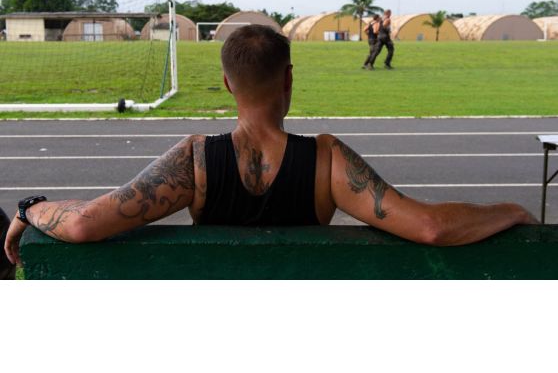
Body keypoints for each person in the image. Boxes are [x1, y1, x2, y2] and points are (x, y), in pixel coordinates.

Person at [4, 24, 537, 265]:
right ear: (288, 80)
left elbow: (81, 224)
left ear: (229, 84)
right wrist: (512, 208)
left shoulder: (193, 160)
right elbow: (430, 227)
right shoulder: (329, 160)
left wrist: (31, 208)